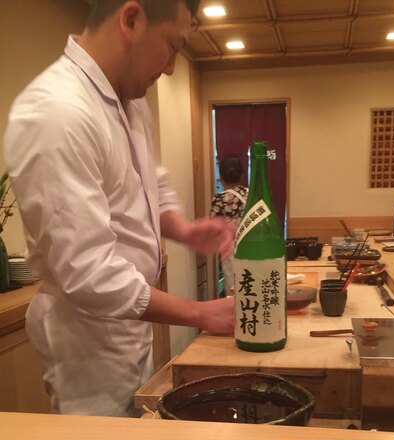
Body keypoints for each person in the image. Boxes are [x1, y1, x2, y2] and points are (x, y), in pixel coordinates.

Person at [3, 0, 235, 418]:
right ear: (131, 20)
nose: (170, 68)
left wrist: (182, 229)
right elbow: (88, 272)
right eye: (172, 46)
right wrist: (199, 312)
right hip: (86, 342)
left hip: (130, 323)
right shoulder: (57, 111)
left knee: (138, 431)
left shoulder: (129, 99)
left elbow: (149, 181)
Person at [209, 154, 248, 293]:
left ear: (221, 176)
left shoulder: (220, 199)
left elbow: (212, 229)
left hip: (230, 252)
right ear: (242, 175)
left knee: (234, 292)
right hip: (251, 248)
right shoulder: (251, 196)